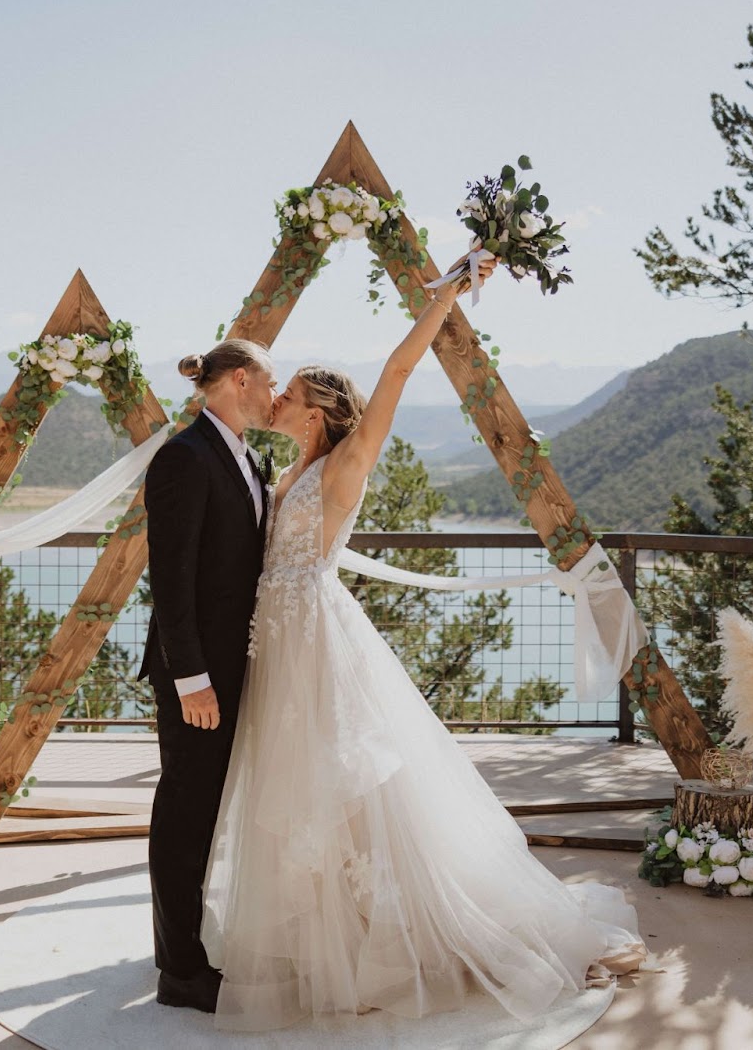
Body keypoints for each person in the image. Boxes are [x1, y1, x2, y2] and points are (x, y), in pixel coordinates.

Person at [199, 255, 647, 1031]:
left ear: (318, 408)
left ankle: (392, 940)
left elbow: (400, 370)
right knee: (300, 797)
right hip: (277, 642)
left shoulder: (346, 459)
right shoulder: (291, 462)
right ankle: (325, 938)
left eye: (290, 394)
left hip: (316, 638)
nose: (276, 401)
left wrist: (449, 294)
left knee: (355, 794)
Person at [139, 338, 277, 1013]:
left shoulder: (247, 456)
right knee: (186, 810)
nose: (276, 396)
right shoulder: (183, 457)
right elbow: (170, 579)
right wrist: (190, 676)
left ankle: (189, 941)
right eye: (271, 382)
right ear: (242, 380)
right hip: (196, 677)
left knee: (207, 808)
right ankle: (180, 972)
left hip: (235, 664)